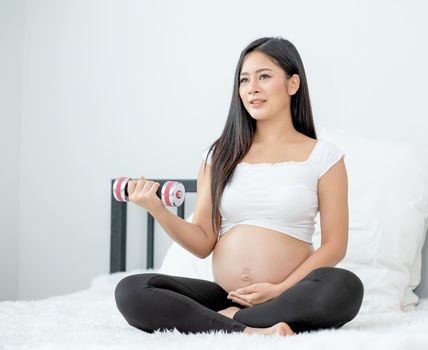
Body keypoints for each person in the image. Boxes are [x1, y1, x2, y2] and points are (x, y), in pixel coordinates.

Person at [114, 36, 364, 336]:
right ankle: (248, 328)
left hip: (287, 294)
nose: (252, 88)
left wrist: (278, 289)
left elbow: (335, 245)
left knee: (345, 286)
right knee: (131, 289)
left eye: (264, 77)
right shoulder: (219, 155)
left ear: (293, 84)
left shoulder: (324, 156)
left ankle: (224, 321)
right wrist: (158, 210)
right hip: (225, 297)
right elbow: (204, 241)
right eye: (244, 80)